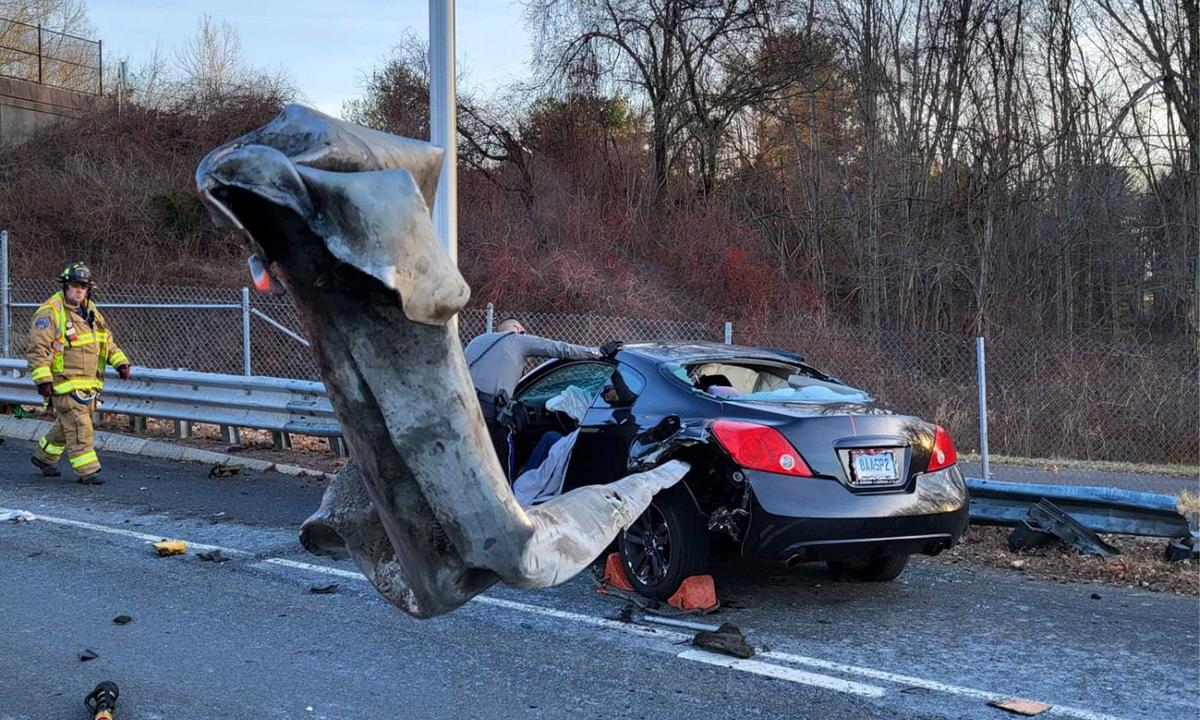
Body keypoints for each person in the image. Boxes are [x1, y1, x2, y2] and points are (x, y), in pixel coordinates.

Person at [465, 318, 620, 476]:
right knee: (501, 470)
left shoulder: (476, 341)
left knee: (467, 461)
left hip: (463, 409)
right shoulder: (517, 339)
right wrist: (597, 352)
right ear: (518, 329)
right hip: (492, 416)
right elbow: (558, 349)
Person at [26, 262, 131, 485]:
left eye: (83, 287)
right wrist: (43, 380)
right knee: (80, 426)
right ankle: (87, 471)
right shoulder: (50, 313)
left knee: (67, 425)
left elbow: (106, 341)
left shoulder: (91, 311)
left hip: (88, 386)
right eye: (74, 286)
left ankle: (43, 457)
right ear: (65, 287)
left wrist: (121, 363)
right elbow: (38, 350)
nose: (78, 291)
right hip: (64, 383)